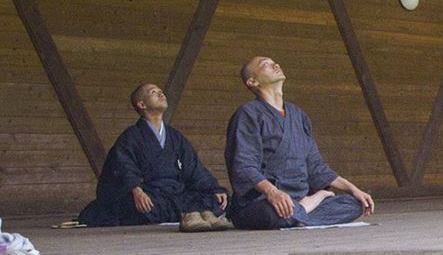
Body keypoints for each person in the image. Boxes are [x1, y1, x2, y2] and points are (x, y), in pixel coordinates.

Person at [224, 56, 374, 229]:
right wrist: (272, 192)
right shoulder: (248, 114)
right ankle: (306, 207)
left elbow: (315, 166)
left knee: (355, 204)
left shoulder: (298, 115)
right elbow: (244, 166)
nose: (275, 65)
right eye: (265, 64)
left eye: (274, 63)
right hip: (262, 200)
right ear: (253, 82)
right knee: (272, 214)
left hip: (297, 197)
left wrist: (353, 189)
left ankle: (300, 212)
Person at [77, 83, 231, 231]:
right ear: (142, 104)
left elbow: (194, 168)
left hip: (176, 193)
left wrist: (214, 188)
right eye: (153, 92)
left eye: (160, 91)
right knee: (139, 207)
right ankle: (193, 214)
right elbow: (123, 166)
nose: (160, 93)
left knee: (216, 199)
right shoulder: (131, 137)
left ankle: (195, 214)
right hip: (151, 194)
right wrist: (136, 190)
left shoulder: (175, 137)